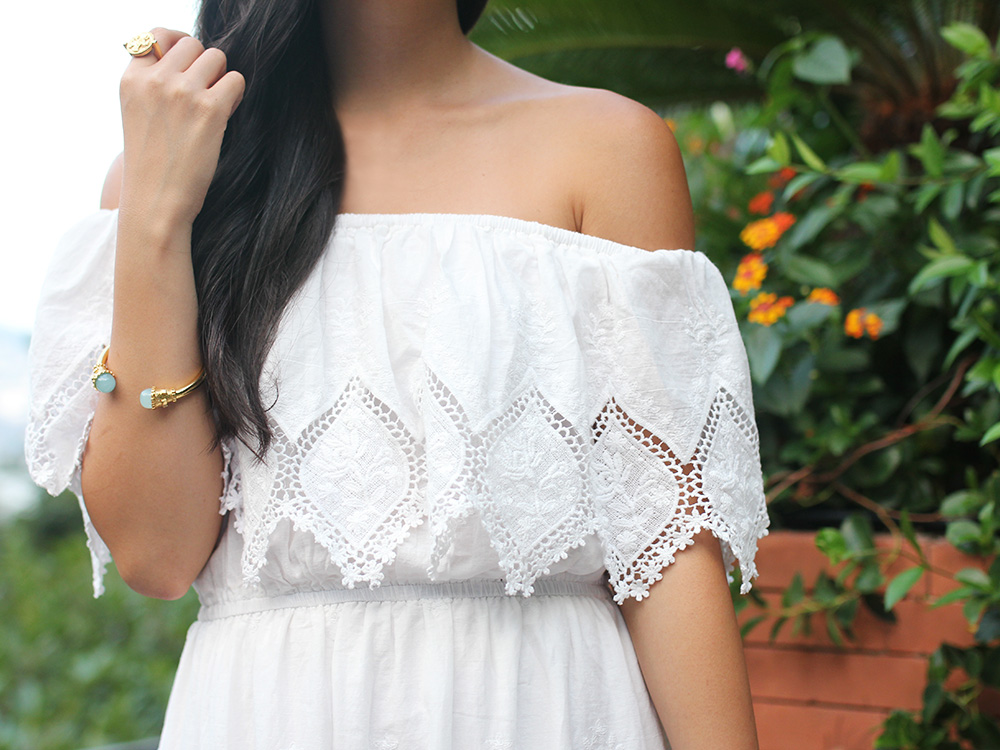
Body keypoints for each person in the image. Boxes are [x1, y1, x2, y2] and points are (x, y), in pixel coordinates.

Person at [25, 0, 771, 747]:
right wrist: (156, 216)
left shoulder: (606, 148)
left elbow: (666, 547)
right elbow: (156, 554)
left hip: (545, 713)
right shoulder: (179, 166)